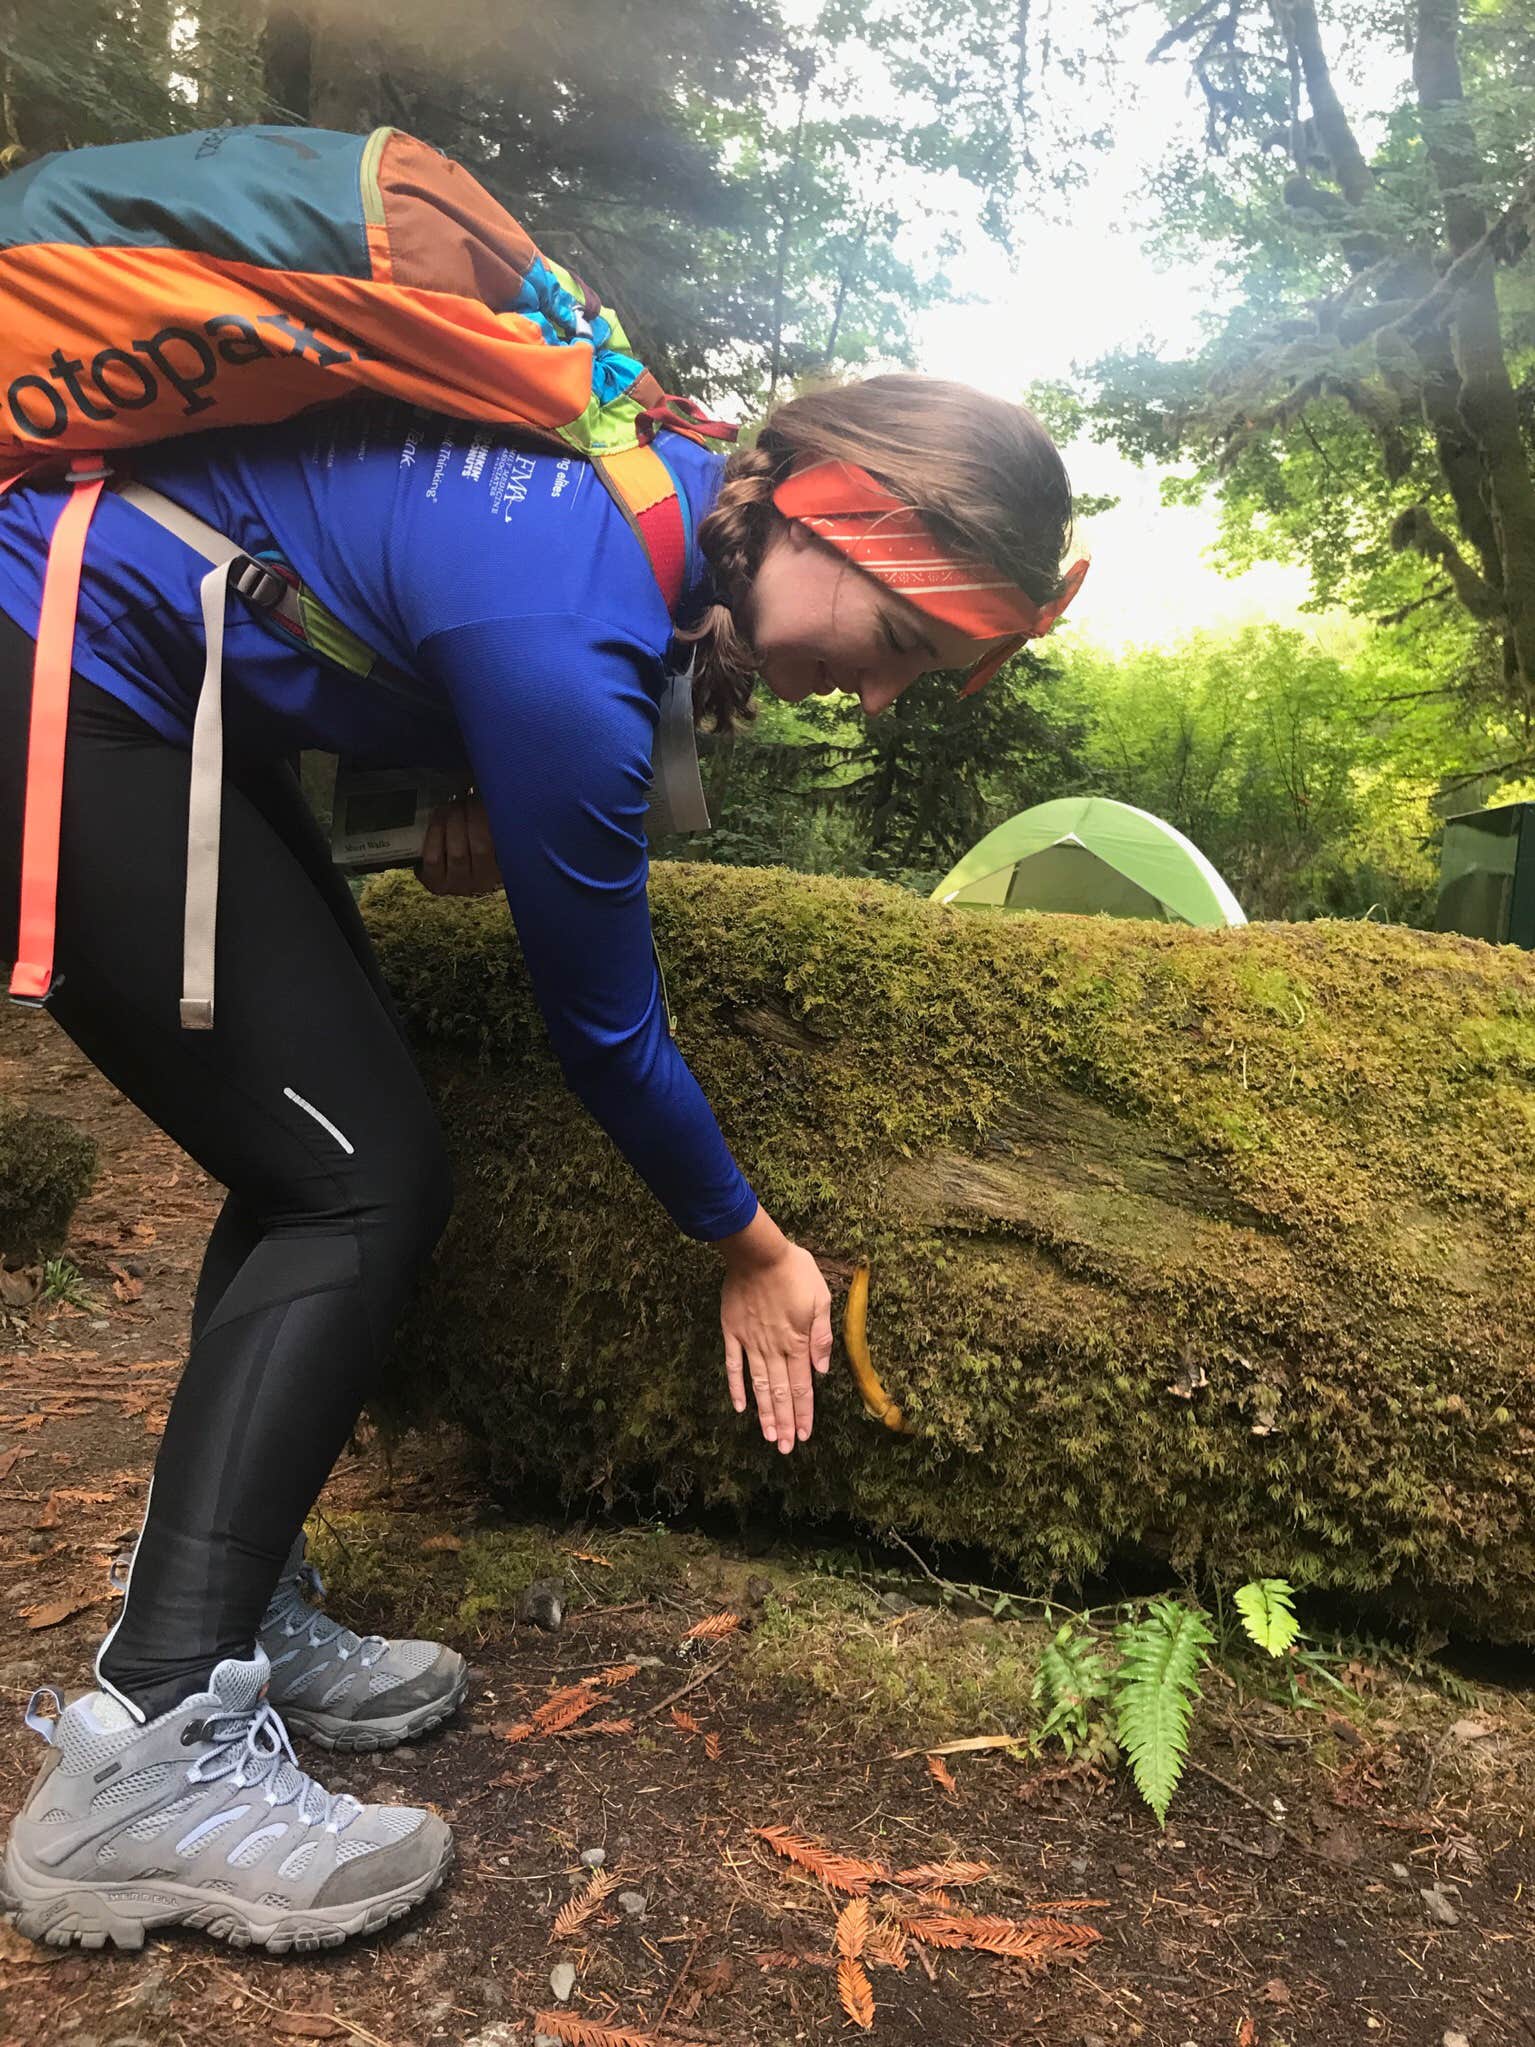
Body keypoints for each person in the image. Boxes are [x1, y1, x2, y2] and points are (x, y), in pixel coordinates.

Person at [0, 372, 1079, 1951]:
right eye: (904, 648)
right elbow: (607, 1032)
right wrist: (754, 1245)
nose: (878, 699)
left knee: (318, 1140)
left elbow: (361, 564)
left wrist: (458, 778)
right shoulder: (568, 635)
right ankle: (144, 1762)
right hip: (61, 670)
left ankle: (232, 1618)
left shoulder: (643, 491)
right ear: (836, 518)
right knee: (353, 1176)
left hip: (140, 679)